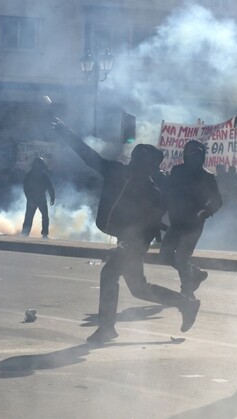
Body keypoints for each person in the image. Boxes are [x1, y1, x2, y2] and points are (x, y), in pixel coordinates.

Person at [52, 118, 201, 344]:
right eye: (136, 156)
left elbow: (155, 220)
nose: (136, 161)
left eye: (142, 159)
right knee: (138, 288)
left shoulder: (151, 189)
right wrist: (65, 131)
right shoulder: (116, 172)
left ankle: (106, 328)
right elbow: (87, 155)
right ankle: (186, 304)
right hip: (126, 238)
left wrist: (133, 243)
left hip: (134, 241)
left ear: (150, 166)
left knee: (109, 274)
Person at [160, 140, 223, 298]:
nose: (194, 157)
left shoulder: (207, 176)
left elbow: (217, 202)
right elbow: (168, 192)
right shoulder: (177, 171)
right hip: (176, 222)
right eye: (191, 153)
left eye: (197, 153)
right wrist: (164, 210)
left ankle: (187, 293)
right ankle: (195, 273)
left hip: (193, 224)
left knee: (181, 257)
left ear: (203, 156)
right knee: (165, 254)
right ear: (185, 155)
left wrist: (204, 213)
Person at [21, 157, 55, 238]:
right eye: (37, 164)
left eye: (39, 164)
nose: (38, 166)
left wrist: (52, 197)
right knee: (29, 217)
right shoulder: (29, 175)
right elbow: (26, 188)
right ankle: (25, 234)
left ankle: (44, 233)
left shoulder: (43, 175)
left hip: (41, 198)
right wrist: (30, 199)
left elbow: (49, 186)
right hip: (33, 198)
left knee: (44, 216)